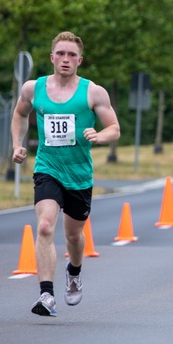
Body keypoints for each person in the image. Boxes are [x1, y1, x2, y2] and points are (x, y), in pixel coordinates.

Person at [10, 31, 120, 317]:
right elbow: (20, 113)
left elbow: (115, 129)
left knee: (74, 236)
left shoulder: (93, 92)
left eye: (72, 55)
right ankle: (47, 295)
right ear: (52, 57)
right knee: (45, 226)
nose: (66, 59)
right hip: (47, 167)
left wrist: (99, 135)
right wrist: (17, 144)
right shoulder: (34, 89)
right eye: (61, 53)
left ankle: (74, 271)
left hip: (79, 174)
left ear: (80, 60)